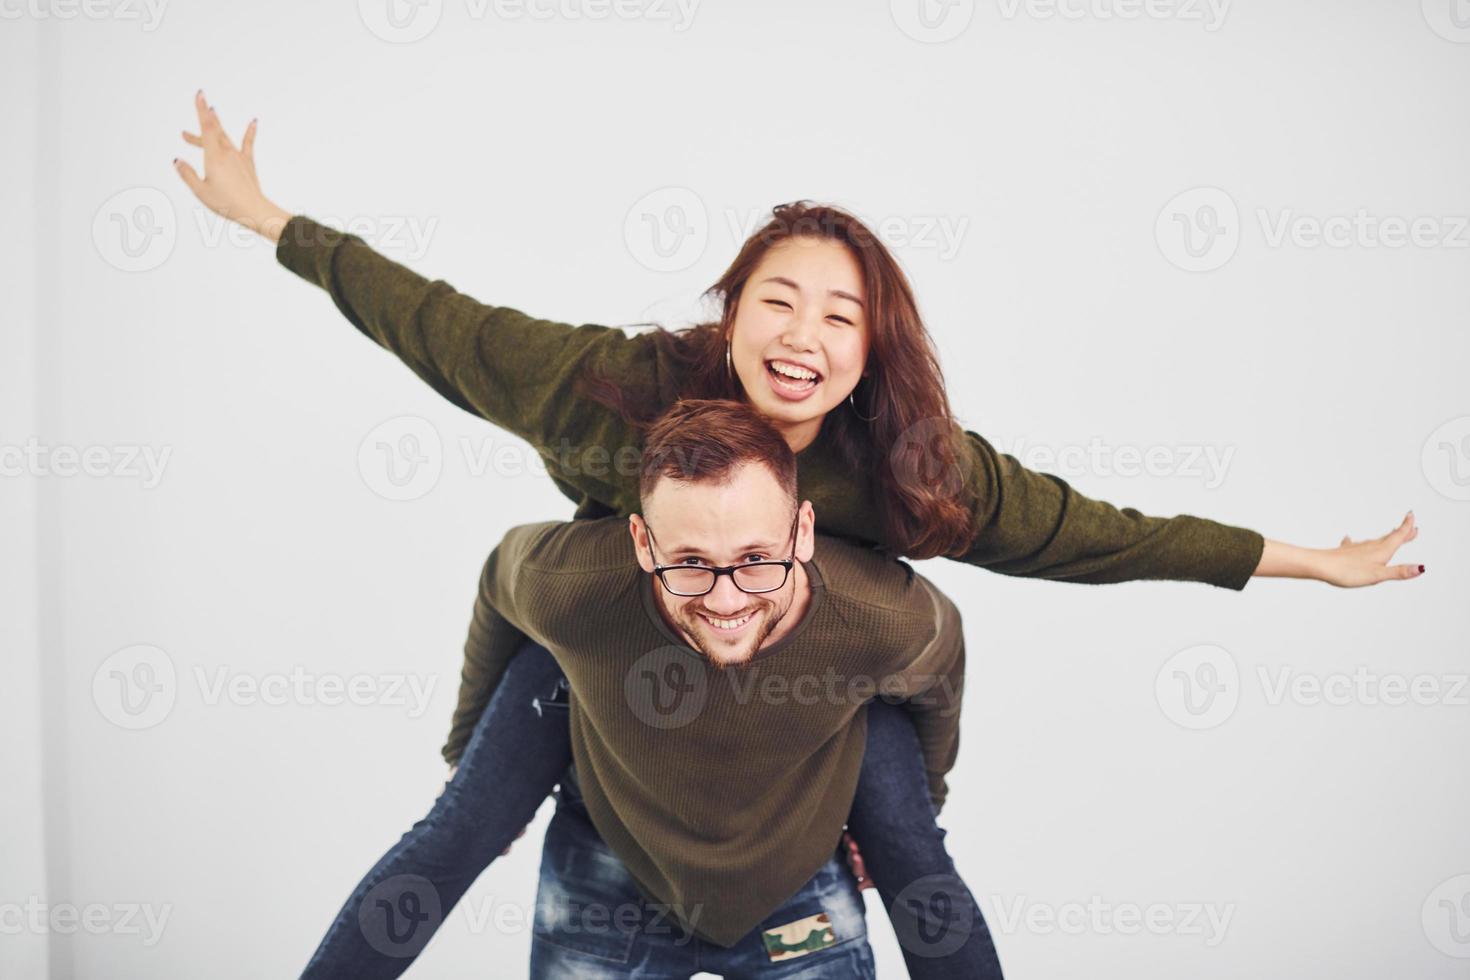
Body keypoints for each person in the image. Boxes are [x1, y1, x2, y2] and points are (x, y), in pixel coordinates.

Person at [171, 88, 1425, 978]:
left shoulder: (911, 466)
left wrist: (1303, 558)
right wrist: (274, 220)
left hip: (818, 678)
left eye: (840, 314)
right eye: (778, 298)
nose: (804, 333)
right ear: (732, 313)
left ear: (871, 348)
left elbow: (1093, 532)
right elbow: (441, 324)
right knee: (452, 829)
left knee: (904, 819)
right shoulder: (612, 389)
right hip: (616, 651)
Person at [476, 398, 973, 976]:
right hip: (612, 869)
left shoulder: (883, 614)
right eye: (690, 562)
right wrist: (467, 755)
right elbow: (495, 590)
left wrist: (919, 808)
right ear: (642, 543)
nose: (725, 599)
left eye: (757, 558)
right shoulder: (567, 585)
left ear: (803, 532)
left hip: (793, 879)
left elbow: (942, 663)